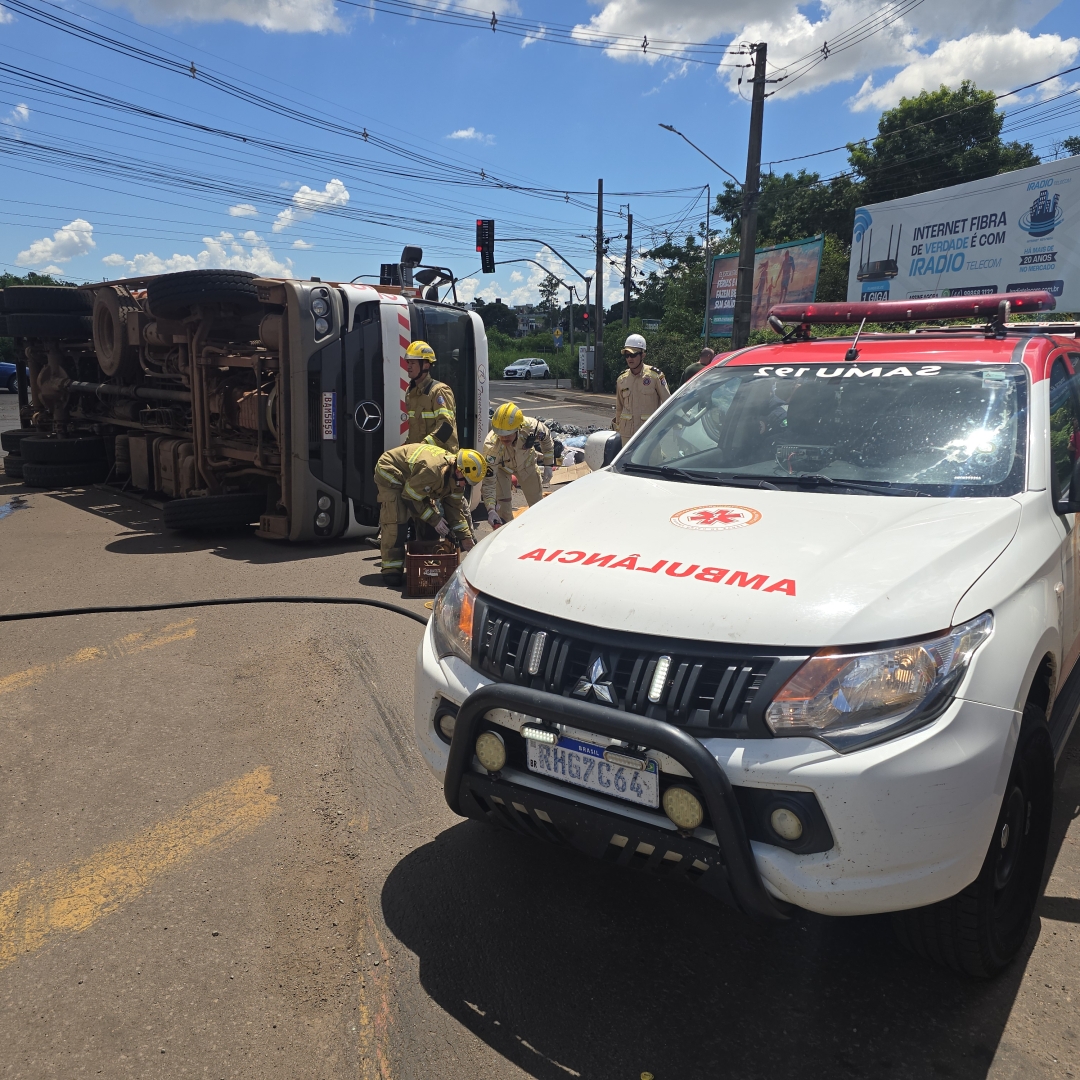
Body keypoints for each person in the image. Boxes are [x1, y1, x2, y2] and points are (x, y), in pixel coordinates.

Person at [373, 444, 481, 585]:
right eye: (465, 481)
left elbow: (454, 509)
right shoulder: (433, 471)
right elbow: (409, 496)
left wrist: (465, 537)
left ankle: (424, 562)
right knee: (397, 521)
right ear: (459, 471)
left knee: (429, 524)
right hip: (391, 473)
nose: (464, 486)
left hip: (416, 482)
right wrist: (434, 519)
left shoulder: (456, 478)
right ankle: (391, 569)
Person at [482, 402, 554, 528]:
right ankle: (505, 538)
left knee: (537, 505)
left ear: (518, 428)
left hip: (526, 466)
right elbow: (489, 481)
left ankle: (539, 533)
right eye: (501, 434)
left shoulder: (532, 428)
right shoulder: (491, 446)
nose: (504, 439)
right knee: (503, 510)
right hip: (501, 469)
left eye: (508, 434)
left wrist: (548, 465)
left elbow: (546, 439)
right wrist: (490, 509)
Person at [403, 340, 458, 452]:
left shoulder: (439, 391)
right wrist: (407, 447)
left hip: (440, 457)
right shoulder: (411, 392)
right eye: (408, 362)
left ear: (426, 365)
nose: (408, 366)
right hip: (420, 456)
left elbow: (446, 427)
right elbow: (415, 430)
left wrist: (423, 446)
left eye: (412, 363)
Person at [613, 333, 670, 441]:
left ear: (642, 355)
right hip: (627, 435)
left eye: (633, 355)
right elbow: (619, 408)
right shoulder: (622, 379)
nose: (630, 358)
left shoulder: (655, 376)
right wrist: (618, 429)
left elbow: (668, 402)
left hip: (649, 433)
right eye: (627, 355)